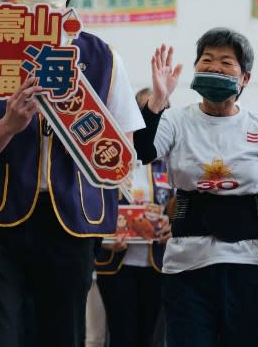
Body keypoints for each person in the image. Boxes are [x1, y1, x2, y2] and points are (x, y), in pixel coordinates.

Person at [0, 0, 144, 347]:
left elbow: (121, 153)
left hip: (72, 223)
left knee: (62, 336)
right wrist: (8, 126)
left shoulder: (103, 57)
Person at [134, 29, 258, 347]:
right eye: (207, 60)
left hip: (251, 265)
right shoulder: (175, 119)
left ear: (245, 78)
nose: (214, 67)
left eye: (226, 62)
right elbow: (143, 151)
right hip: (186, 266)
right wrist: (157, 101)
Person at [95, 87, 173, 347]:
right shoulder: (110, 158)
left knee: (152, 336)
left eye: (162, 112)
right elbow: (94, 206)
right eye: (147, 111)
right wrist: (105, 237)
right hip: (116, 261)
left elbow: (185, 204)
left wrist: (174, 227)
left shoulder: (171, 163)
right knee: (120, 334)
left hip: (158, 262)